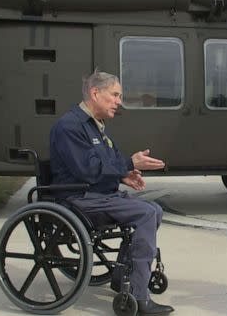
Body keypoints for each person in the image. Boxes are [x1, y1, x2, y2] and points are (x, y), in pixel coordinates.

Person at [50, 71, 174, 315]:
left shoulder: (96, 127)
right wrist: (129, 163)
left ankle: (121, 278)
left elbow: (109, 160)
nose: (119, 101)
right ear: (95, 93)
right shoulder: (69, 126)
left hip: (98, 195)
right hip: (79, 200)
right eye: (115, 95)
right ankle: (139, 296)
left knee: (155, 209)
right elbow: (88, 169)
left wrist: (123, 174)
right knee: (146, 214)